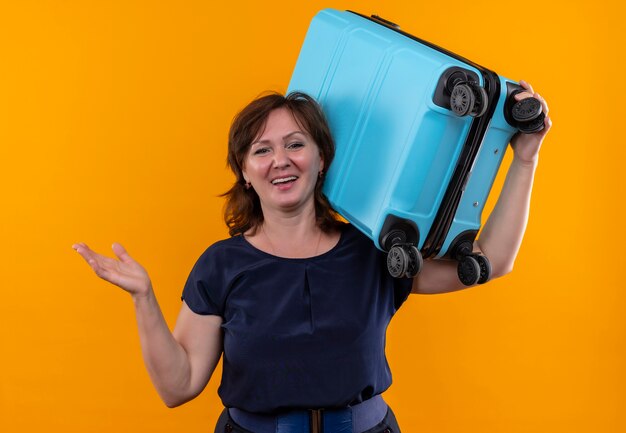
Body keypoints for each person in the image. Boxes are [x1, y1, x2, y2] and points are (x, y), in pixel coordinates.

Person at [72, 81, 551, 433]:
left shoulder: (373, 253)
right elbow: (178, 387)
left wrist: (524, 158)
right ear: (244, 171)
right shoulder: (221, 265)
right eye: (262, 150)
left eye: (295, 145)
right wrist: (143, 297)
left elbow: (489, 260)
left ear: (322, 159)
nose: (280, 160)